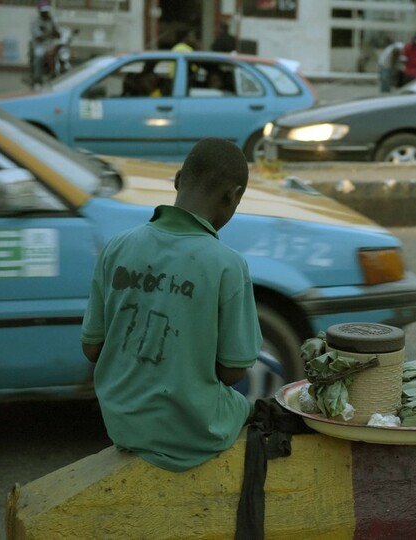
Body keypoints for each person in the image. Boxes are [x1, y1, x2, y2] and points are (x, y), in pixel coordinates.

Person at [81, 138, 262, 472]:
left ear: (178, 179)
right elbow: (233, 370)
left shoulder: (117, 247)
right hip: (194, 433)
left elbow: (92, 349)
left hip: (123, 423)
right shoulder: (227, 264)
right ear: (233, 195)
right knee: (249, 408)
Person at [29, 0, 59, 87]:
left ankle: (56, 75)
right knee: (39, 55)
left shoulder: (52, 20)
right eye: (43, 12)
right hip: (40, 46)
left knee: (60, 55)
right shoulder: (35, 21)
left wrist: (54, 28)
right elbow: (39, 37)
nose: (45, 13)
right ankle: (37, 78)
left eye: (47, 11)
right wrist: (50, 34)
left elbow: (58, 34)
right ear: (40, 11)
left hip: (51, 45)